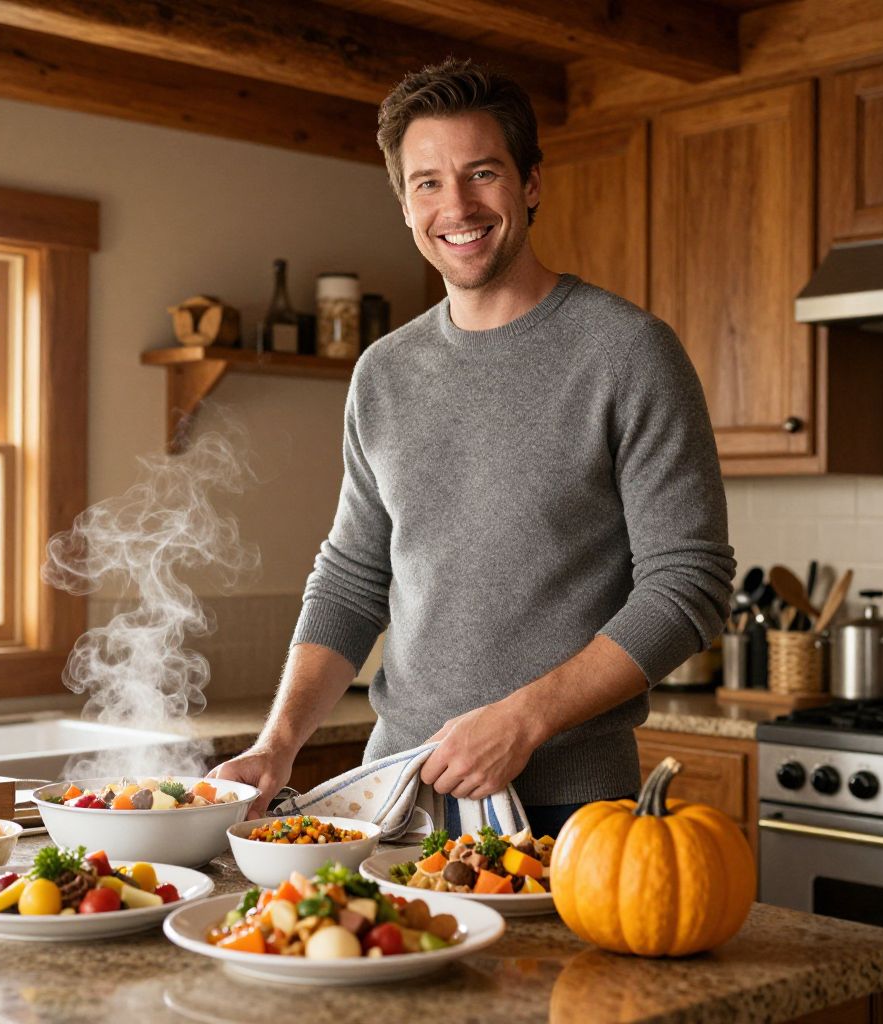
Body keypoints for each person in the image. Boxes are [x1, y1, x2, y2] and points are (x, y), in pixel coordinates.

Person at [210, 58, 735, 837]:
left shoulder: (628, 353)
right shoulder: (383, 372)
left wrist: (523, 721)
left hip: (571, 811)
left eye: (481, 173)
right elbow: (355, 578)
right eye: (427, 182)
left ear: (529, 183)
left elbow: (689, 584)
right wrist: (278, 744)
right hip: (400, 800)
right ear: (404, 204)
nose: (455, 205)